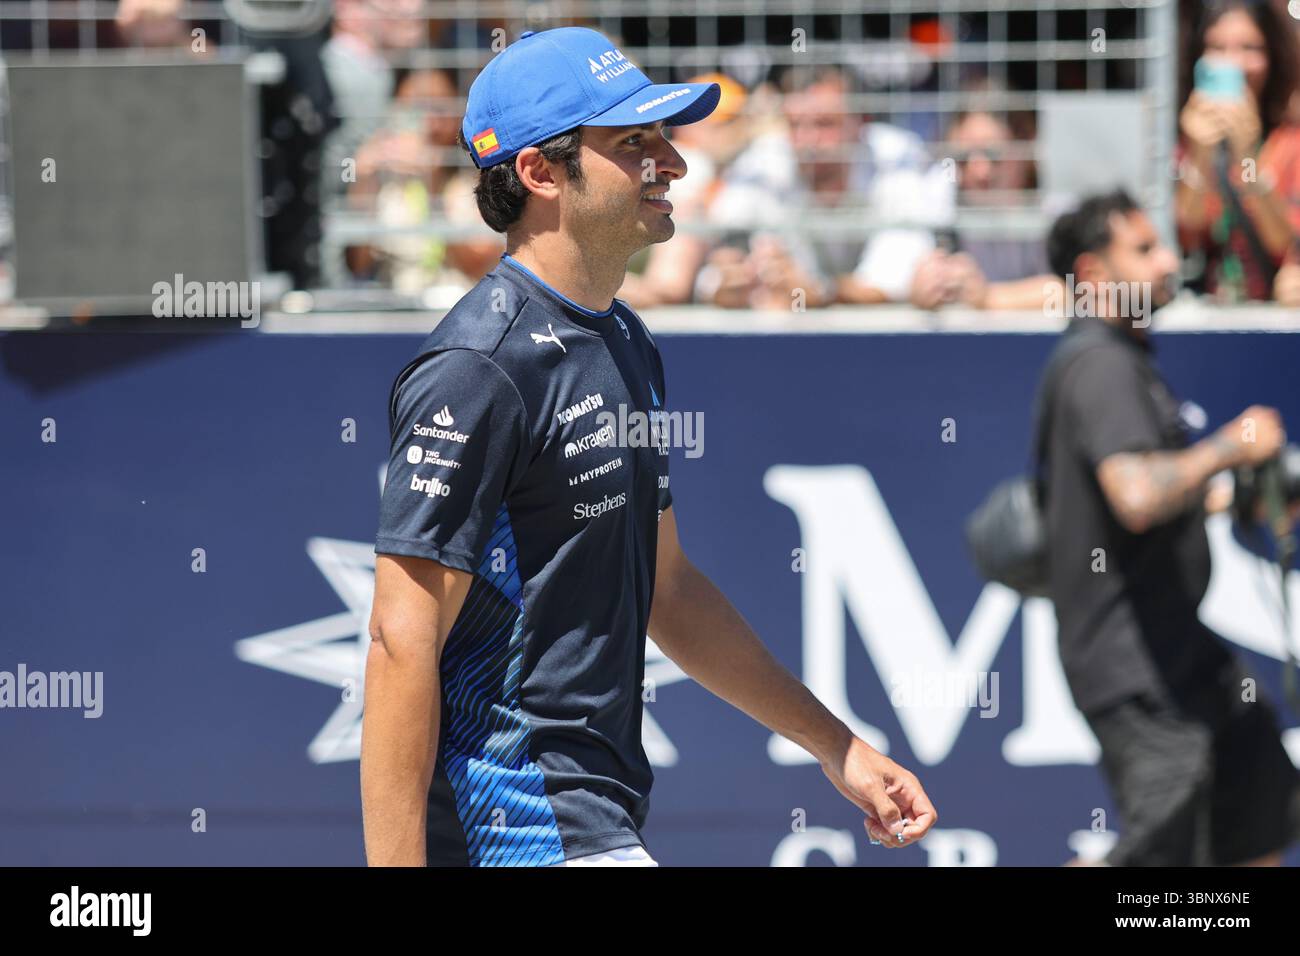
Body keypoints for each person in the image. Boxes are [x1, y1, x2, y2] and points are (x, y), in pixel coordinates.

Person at [362, 27, 936, 867]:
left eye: (662, 137)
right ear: (539, 172)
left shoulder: (623, 336)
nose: (673, 162)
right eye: (634, 142)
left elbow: (669, 589)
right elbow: (397, 640)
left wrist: (836, 746)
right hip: (519, 828)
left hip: (592, 815)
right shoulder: (478, 368)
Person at [1041, 189, 1300, 866]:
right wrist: (1232, 445)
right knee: (1159, 856)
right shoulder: (1099, 364)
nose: (1168, 261)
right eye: (1145, 248)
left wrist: (1229, 495)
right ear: (1095, 276)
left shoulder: (1126, 360)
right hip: (1132, 667)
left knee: (1260, 797)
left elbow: (1153, 493)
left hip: (1181, 652)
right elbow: (1133, 494)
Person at [700, 64, 954, 309]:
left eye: (824, 124)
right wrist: (730, 284)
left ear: (860, 123)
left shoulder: (899, 159)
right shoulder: (762, 162)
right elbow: (717, 267)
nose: (808, 141)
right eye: (795, 124)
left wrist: (816, 292)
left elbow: (890, 284)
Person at [1176, 0, 1300, 303]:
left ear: (1272, 55)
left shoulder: (1289, 143)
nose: (1233, 63)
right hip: (1213, 311)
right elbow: (1188, 235)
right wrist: (1200, 156)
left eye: (1250, 48)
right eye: (1217, 48)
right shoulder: (1189, 136)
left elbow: (1282, 241)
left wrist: (1248, 158)